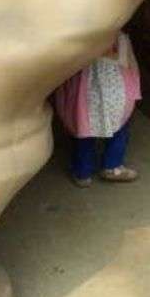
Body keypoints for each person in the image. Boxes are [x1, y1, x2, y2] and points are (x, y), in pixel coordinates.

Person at [53, 32, 141, 186]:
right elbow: (129, 63)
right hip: (116, 93)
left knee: (84, 131)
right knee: (119, 129)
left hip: (85, 95)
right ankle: (112, 166)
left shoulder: (79, 37)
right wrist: (135, 84)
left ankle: (83, 173)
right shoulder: (120, 37)